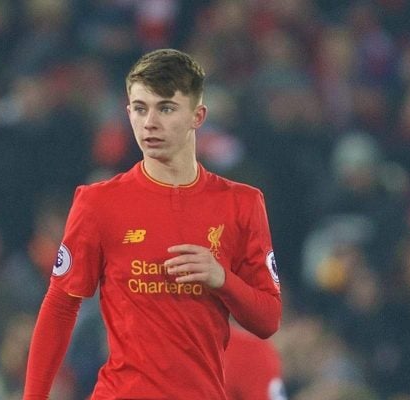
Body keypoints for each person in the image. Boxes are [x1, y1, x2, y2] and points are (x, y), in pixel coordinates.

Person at [24, 48, 282, 400]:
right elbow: (61, 304)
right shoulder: (98, 202)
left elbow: (268, 320)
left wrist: (222, 279)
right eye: (141, 108)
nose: (150, 123)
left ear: (198, 115)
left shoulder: (242, 204)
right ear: (128, 112)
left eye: (166, 108)